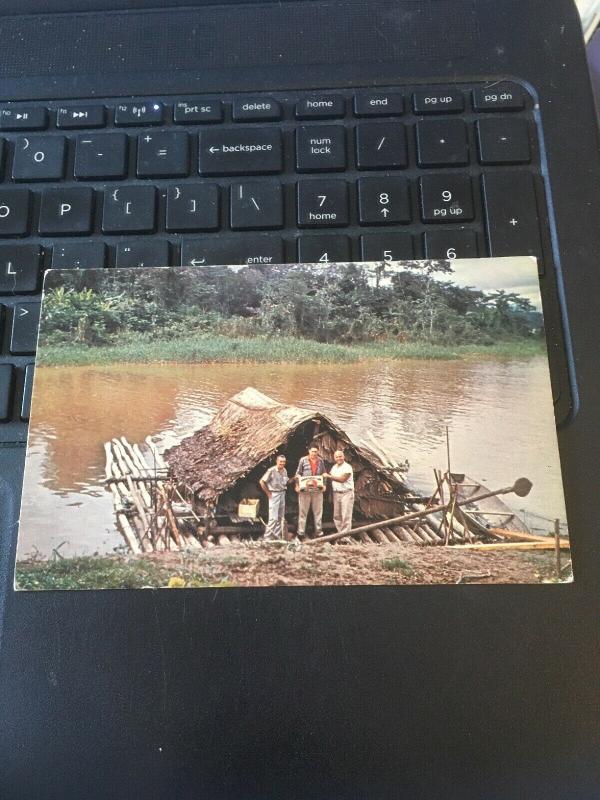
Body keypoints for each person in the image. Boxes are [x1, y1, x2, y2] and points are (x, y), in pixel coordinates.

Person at [295, 444, 326, 538]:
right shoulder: (303, 460)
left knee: (318, 512)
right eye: (312, 451)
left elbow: (324, 473)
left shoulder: (320, 461)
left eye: (316, 451)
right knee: (303, 512)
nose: (314, 453)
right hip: (305, 490)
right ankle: (301, 533)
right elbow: (298, 474)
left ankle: (319, 532)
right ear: (309, 451)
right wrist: (297, 485)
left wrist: (324, 484)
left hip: (317, 490)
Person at [259, 454, 290, 540]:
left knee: (281, 517)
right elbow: (262, 481)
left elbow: (285, 482)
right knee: (273, 517)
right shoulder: (271, 470)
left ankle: (276, 535)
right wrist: (268, 493)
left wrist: (294, 479)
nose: (282, 463)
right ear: (277, 461)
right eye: (280, 462)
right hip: (274, 494)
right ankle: (267, 537)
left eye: (284, 462)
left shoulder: (284, 471)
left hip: (282, 493)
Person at [325, 450, 355, 536]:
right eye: (337, 457)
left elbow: (342, 479)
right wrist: (331, 494)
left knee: (346, 515)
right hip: (336, 493)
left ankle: (345, 536)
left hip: (346, 493)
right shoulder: (334, 467)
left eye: (340, 456)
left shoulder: (347, 467)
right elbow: (332, 482)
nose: (339, 458)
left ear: (343, 457)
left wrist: (329, 476)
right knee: (337, 515)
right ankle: (340, 534)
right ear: (334, 458)